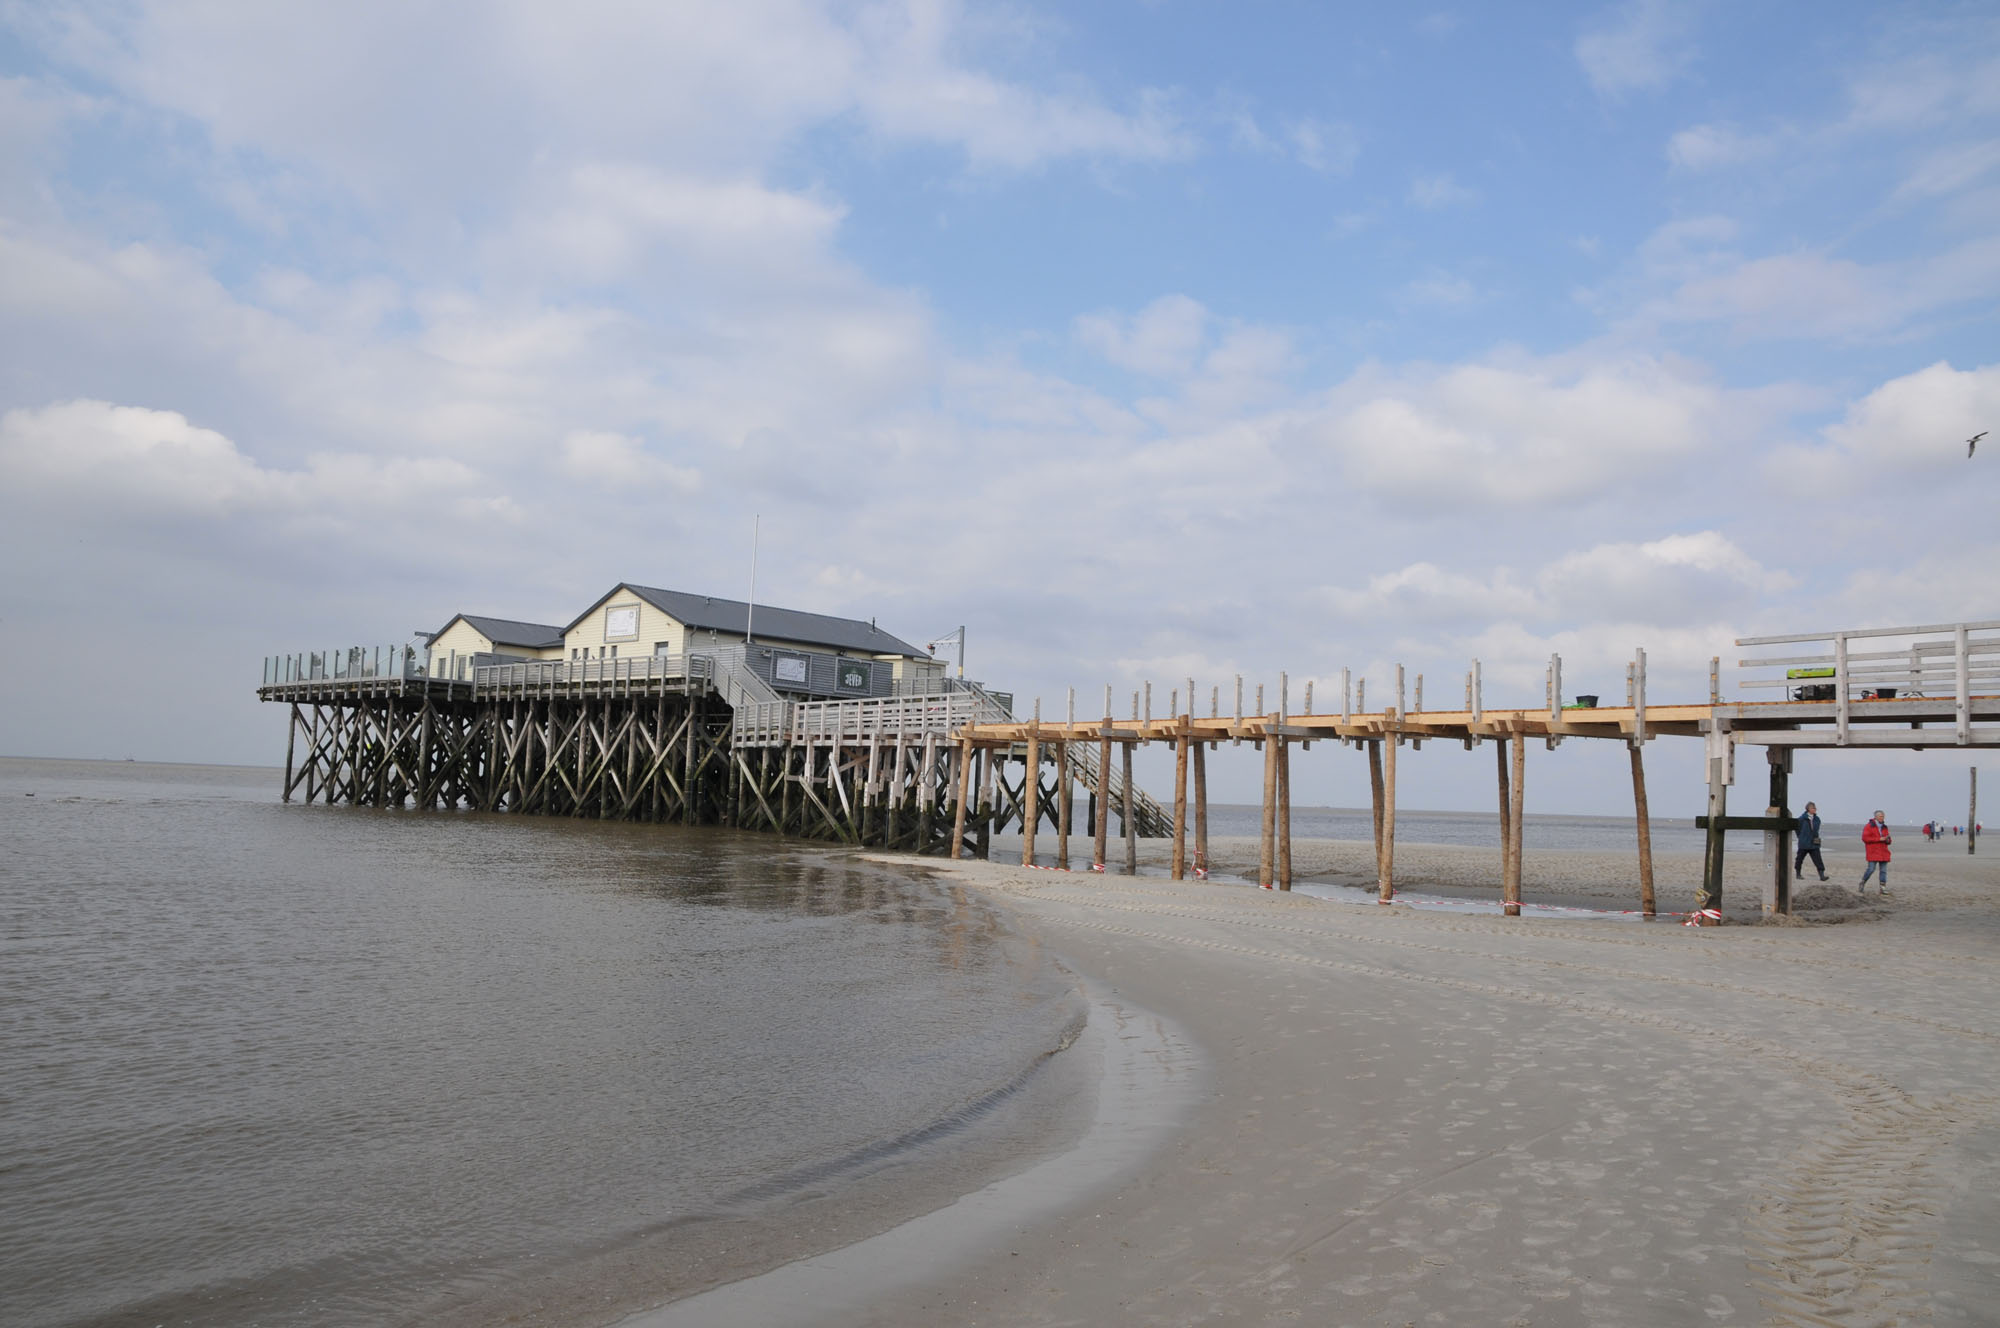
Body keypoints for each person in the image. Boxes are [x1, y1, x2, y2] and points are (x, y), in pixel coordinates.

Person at [1860, 810, 1892, 894]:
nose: (1882, 817)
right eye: (1881, 816)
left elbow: (1889, 840)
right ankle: (1862, 882)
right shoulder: (1869, 826)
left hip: (1883, 851)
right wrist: (1879, 839)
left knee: (1883, 871)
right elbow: (1865, 838)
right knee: (1871, 869)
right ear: (1876, 817)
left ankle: (1883, 887)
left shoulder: (1885, 827)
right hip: (1873, 851)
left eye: (1883, 816)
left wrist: (1888, 840)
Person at [1794, 801, 1828, 880]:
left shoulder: (1817, 819)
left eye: (1815, 808)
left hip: (1814, 843)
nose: (1815, 809)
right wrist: (1801, 837)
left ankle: (1822, 875)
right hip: (1804, 843)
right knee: (1799, 859)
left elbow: (1816, 830)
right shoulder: (1802, 818)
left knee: (1818, 860)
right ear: (1808, 809)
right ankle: (1798, 874)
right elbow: (1797, 829)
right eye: (1813, 808)